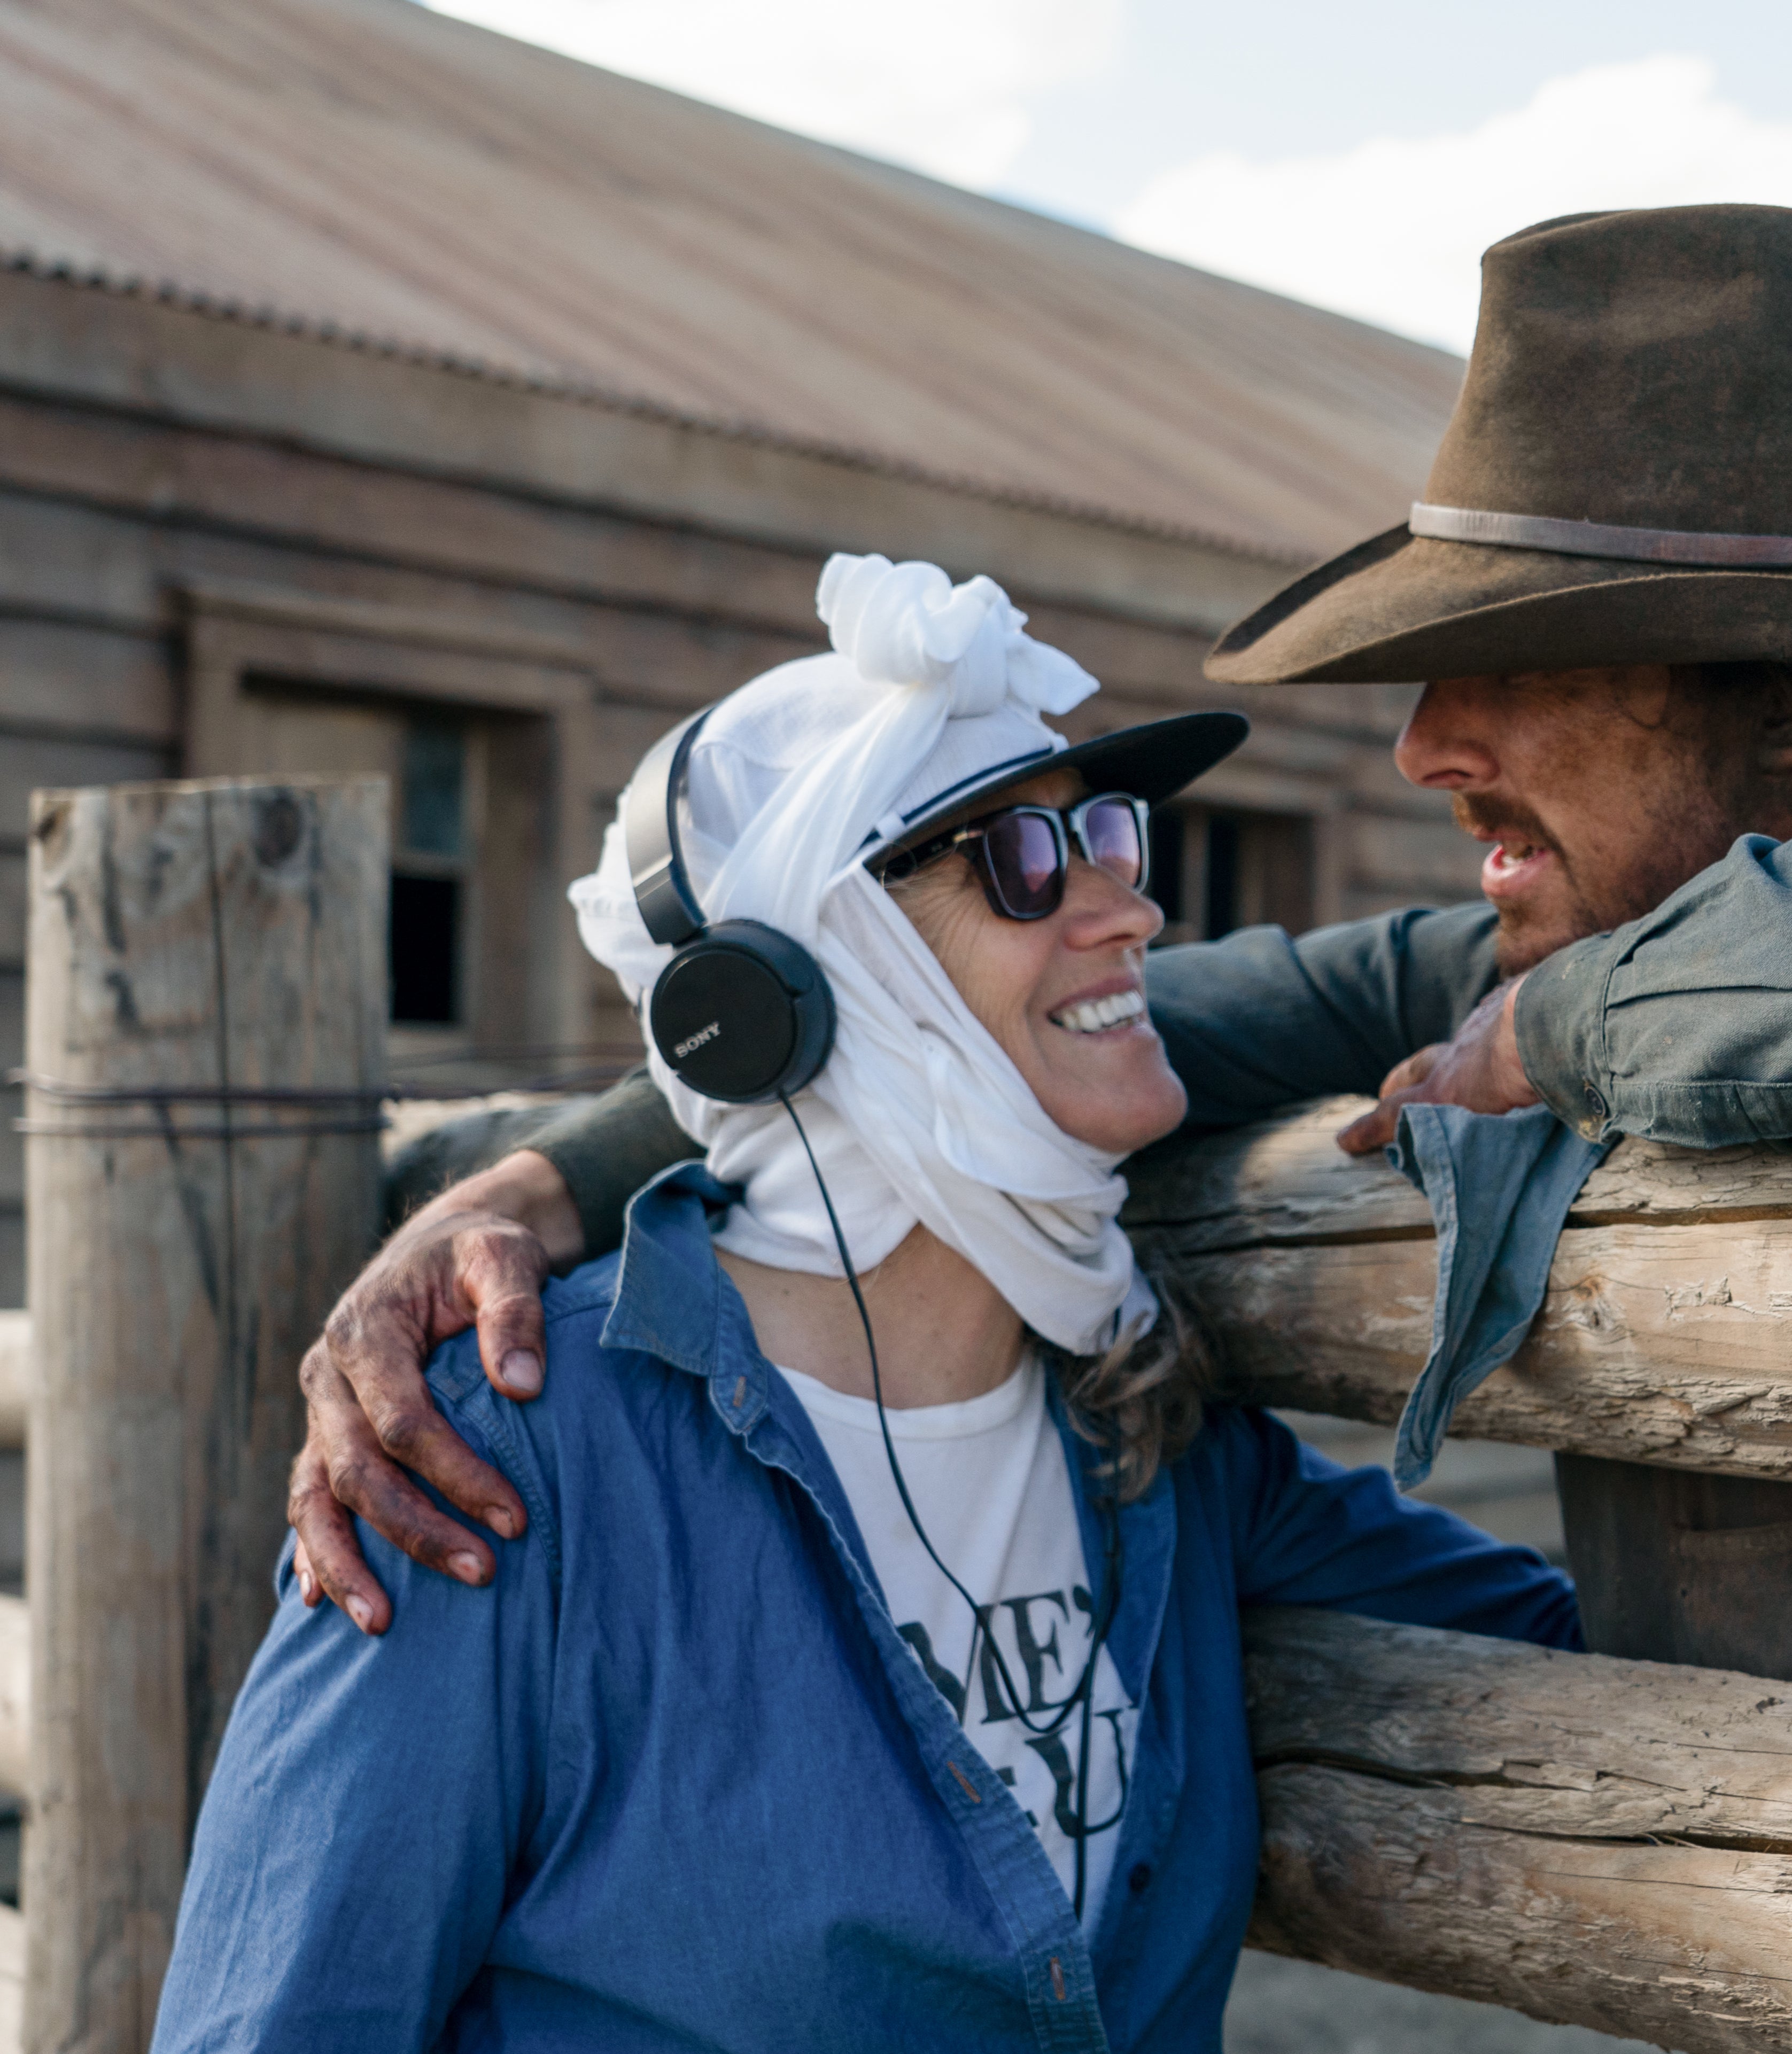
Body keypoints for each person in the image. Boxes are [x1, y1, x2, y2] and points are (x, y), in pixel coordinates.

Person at [289, 205, 1792, 1769]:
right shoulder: (1503, 956)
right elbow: (1017, 1030)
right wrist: (536, 1191)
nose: (1422, 746)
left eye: (1523, 666)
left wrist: (1531, 1045)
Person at [154, 558, 1576, 2051]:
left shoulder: (1159, 1445)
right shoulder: (507, 1460)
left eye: (1110, 835)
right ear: (798, 978)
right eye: (1026, 858)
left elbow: (1589, 1657)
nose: (1129, 907)